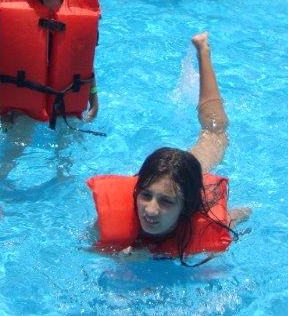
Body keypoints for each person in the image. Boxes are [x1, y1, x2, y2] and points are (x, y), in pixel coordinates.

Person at [87, 32, 250, 264]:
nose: (150, 210)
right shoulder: (112, 218)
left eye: (166, 202)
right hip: (164, 176)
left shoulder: (207, 224)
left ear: (185, 208)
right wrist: (118, 257)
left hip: (188, 176)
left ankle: (203, 51)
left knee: (216, 132)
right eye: (146, 196)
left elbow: (244, 212)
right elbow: (87, 248)